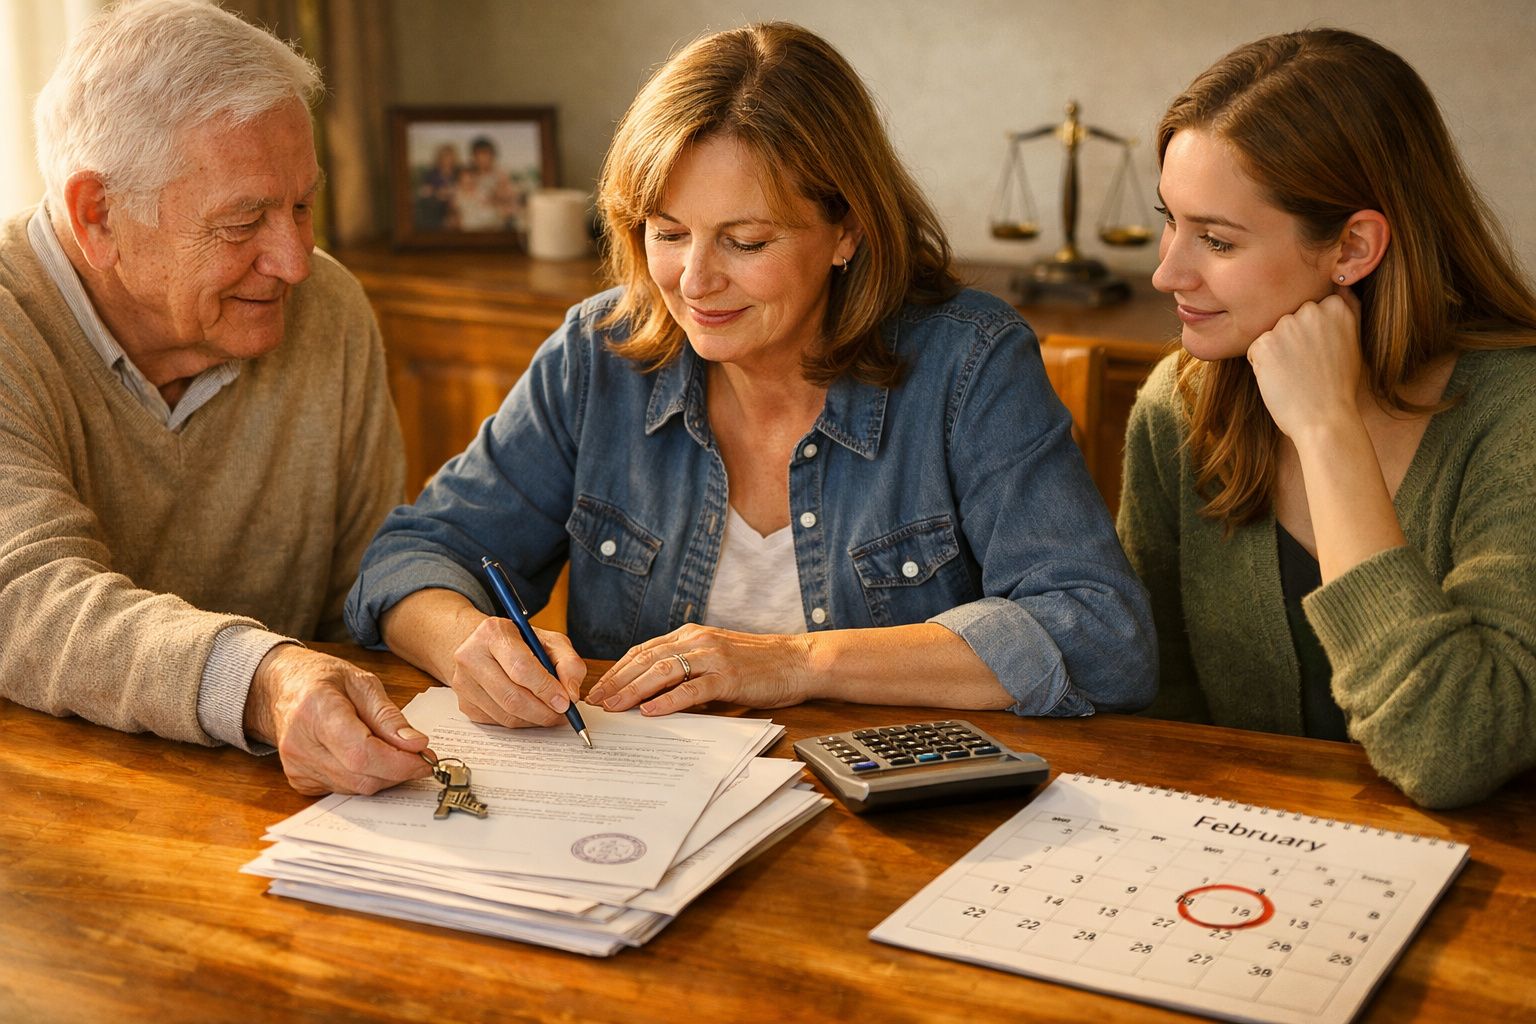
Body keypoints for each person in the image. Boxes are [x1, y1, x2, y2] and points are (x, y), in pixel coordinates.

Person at [346, 22, 1155, 729]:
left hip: (899, 827)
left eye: (746, 241)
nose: (694, 282)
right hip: (646, 822)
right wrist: (466, 646)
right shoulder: (599, 353)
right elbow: (412, 557)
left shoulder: (968, 363)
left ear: (847, 230)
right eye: (668, 233)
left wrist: (797, 663)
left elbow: (1097, 633)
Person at [0, 0, 433, 796]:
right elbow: (23, 599)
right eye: (243, 222)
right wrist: (265, 681)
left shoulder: (328, 310)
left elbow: (363, 601)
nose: (295, 261)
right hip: (46, 819)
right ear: (97, 215)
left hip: (293, 804)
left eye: (302, 205)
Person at [1118, 28, 1536, 808]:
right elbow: (1152, 719)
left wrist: (1326, 431)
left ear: (1352, 246)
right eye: (1170, 220)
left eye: (1216, 239)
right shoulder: (1178, 408)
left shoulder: (1519, 422)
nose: (1167, 269)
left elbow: (1454, 748)